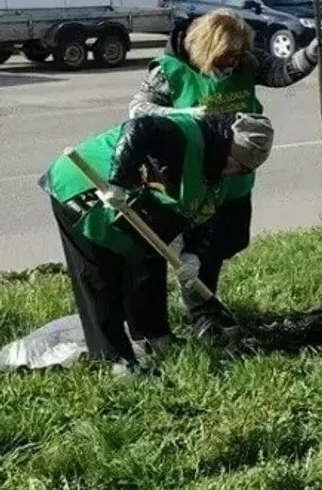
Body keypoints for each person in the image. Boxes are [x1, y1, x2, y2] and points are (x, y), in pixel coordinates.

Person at [129, 8, 322, 322]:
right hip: (194, 178)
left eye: (239, 53)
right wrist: (186, 115)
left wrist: (312, 54)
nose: (235, 61)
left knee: (228, 242)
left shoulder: (246, 61)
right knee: (199, 250)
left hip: (235, 180)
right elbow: (138, 110)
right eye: (227, 54)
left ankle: (203, 299)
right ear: (208, 47)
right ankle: (201, 311)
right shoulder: (171, 70)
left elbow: (281, 71)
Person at [42, 110, 275, 372]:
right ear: (225, 143)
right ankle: (114, 359)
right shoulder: (182, 133)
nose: (233, 170)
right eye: (234, 162)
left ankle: (154, 336)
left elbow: (202, 212)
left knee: (150, 260)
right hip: (84, 181)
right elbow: (137, 129)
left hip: (132, 202)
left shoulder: (219, 172)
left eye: (242, 169)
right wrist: (118, 181)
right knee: (100, 275)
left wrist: (193, 254)